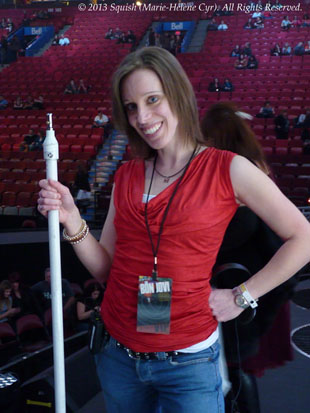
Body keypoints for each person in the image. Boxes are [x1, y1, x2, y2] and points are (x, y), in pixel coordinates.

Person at [37, 46, 310, 413]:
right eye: (131, 107)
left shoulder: (229, 169)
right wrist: (73, 219)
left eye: (152, 100)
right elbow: (107, 269)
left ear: (177, 94)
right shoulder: (127, 175)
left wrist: (242, 296)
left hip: (189, 362)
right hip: (118, 356)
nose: (142, 117)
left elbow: (303, 237)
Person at [201, 102, 298, 413]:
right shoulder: (224, 174)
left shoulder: (247, 179)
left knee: (234, 376)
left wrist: (244, 300)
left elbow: (293, 251)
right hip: (228, 306)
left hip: (239, 306)